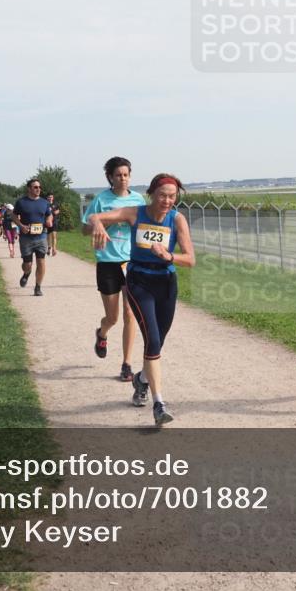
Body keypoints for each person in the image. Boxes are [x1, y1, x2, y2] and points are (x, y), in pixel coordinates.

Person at [88, 173, 195, 426]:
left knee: (158, 343)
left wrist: (169, 256)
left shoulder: (177, 219)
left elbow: (190, 259)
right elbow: (94, 216)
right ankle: (159, 404)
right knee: (153, 340)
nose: (167, 201)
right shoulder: (135, 213)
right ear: (151, 195)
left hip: (166, 283)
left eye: (172, 196)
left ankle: (141, 379)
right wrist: (100, 226)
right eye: (162, 195)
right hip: (139, 282)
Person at [81, 156, 145, 382]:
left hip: (131, 262)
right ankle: (102, 333)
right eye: (118, 175)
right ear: (110, 177)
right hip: (107, 262)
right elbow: (84, 230)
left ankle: (126, 364)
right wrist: (103, 223)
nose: (123, 179)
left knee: (131, 314)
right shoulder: (101, 200)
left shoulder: (138, 199)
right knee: (113, 317)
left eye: (126, 174)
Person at [13, 179, 53, 297]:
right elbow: (14, 216)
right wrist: (21, 226)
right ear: (29, 189)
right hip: (26, 238)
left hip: (41, 237)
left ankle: (38, 287)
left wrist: (49, 220)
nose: (38, 189)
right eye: (35, 187)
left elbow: (49, 214)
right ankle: (26, 273)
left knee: (41, 262)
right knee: (27, 264)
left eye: (39, 187)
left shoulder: (44, 202)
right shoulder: (21, 202)